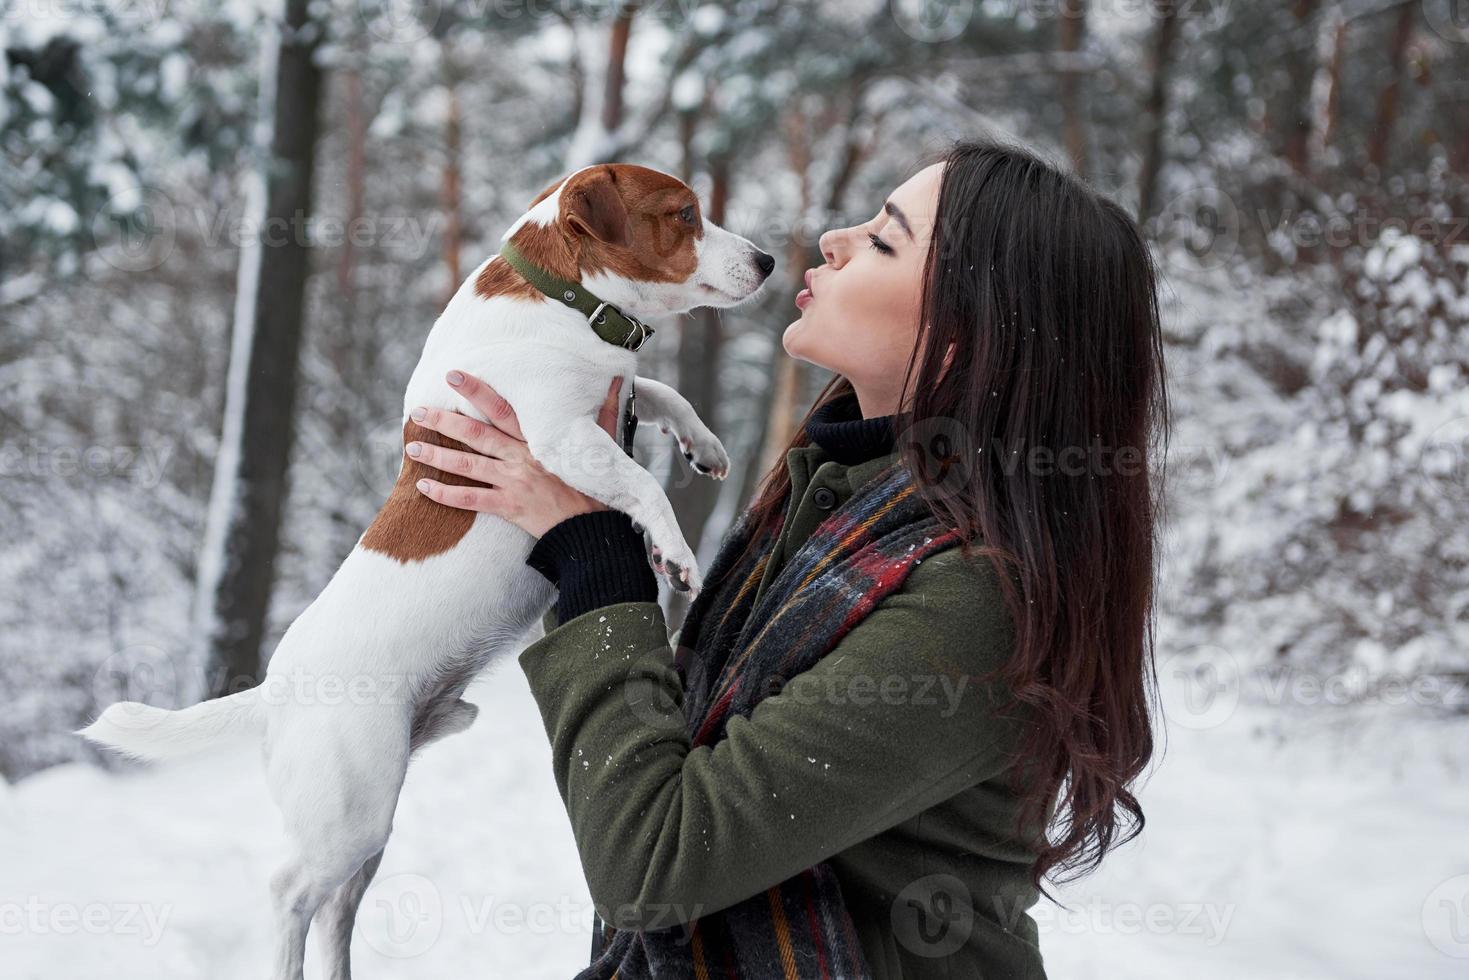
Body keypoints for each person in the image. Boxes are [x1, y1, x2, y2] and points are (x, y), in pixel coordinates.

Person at [406, 138, 1169, 979]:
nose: (834, 239)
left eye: (883, 240)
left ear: (966, 333)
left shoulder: (974, 601)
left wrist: (593, 559)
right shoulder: (831, 497)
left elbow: (658, 864)